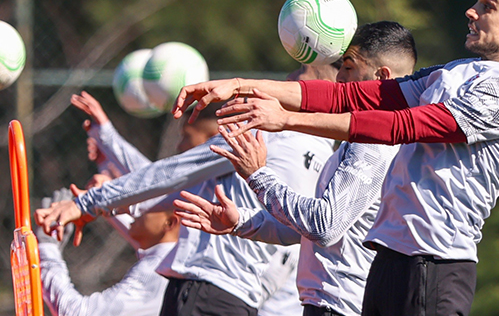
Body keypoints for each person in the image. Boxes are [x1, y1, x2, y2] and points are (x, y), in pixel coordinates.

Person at [172, 0, 499, 315]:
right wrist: (240, 85)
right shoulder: (456, 72)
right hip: (390, 262)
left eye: (488, 5)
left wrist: (285, 120)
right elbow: (351, 97)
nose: (471, 11)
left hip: (435, 268)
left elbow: (399, 126)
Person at [35, 64, 338, 316]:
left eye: (302, 70)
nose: (288, 77)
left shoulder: (263, 133)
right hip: (240, 304)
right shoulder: (329, 162)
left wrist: (88, 203)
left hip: (204, 293)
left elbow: (170, 174)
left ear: (324, 87)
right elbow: (167, 186)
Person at [174, 22, 417, 316]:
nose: (338, 78)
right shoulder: (365, 140)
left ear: (383, 77)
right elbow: (303, 232)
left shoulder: (376, 144)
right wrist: (241, 221)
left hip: (340, 308)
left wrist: (258, 176)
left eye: (348, 68)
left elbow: (324, 226)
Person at [72, 91, 302, 316]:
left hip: (212, 296)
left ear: (215, 135)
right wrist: (106, 162)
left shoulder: (229, 185)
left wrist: (108, 145)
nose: (180, 146)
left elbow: (159, 181)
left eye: (186, 135)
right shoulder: (268, 181)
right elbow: (154, 187)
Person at [37, 188, 180, 316]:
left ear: (169, 223)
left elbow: (79, 313)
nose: (134, 208)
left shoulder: (158, 270)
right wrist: (96, 201)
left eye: (146, 204)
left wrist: (46, 248)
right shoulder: (171, 262)